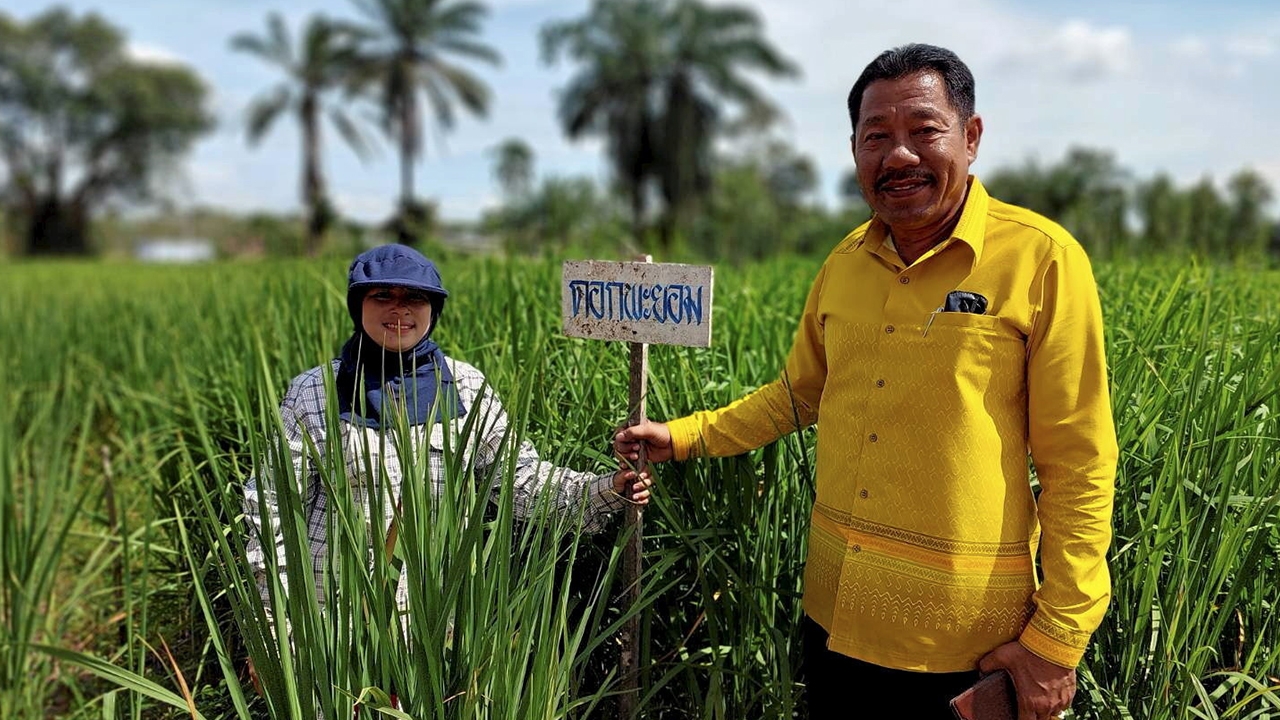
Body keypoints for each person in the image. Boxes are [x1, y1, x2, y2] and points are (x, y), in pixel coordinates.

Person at [615, 43, 1117, 720]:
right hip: (835, 619)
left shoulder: (1042, 259)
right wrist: (681, 437)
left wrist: (1058, 640)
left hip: (964, 643)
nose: (899, 155)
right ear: (854, 150)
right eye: (875, 137)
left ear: (970, 137)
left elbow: (1079, 461)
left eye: (924, 130)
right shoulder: (845, 261)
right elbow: (798, 394)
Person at [244, 244, 650, 689]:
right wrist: (274, 623)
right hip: (331, 617)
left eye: (415, 298)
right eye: (382, 296)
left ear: (432, 310)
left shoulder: (464, 387)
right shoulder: (316, 390)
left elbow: (519, 480)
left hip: (430, 617)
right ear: (357, 304)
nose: (399, 309)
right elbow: (272, 506)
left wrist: (608, 487)